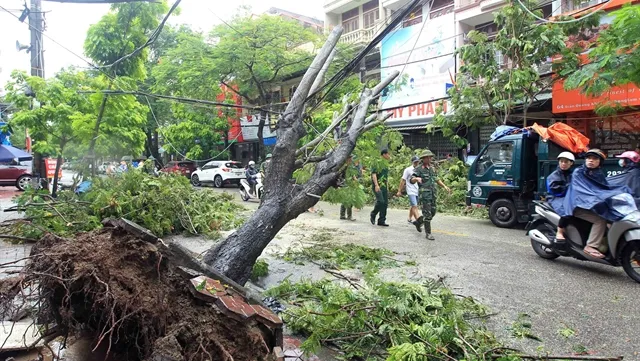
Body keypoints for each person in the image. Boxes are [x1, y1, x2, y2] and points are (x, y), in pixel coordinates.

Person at [411, 149, 451, 240]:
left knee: (433, 212)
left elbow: (436, 179)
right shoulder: (419, 169)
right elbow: (411, 179)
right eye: (428, 157)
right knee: (427, 214)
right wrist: (416, 179)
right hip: (425, 195)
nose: (430, 159)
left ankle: (418, 222)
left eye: (430, 157)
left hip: (433, 194)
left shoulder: (432, 168)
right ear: (424, 159)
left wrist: (444, 186)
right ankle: (428, 233)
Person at [546, 151, 575, 243]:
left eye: (566, 162)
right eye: (561, 161)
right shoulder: (554, 175)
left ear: (571, 163)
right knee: (566, 210)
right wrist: (569, 187)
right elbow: (554, 190)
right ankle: (560, 232)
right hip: (556, 197)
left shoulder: (573, 174)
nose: (563, 164)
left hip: (570, 196)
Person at [397, 155, 422, 232]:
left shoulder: (420, 169)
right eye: (415, 162)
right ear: (412, 162)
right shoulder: (408, 170)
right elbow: (403, 180)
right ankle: (418, 220)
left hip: (416, 190)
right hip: (410, 190)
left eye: (418, 162)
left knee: (413, 205)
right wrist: (399, 190)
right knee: (415, 205)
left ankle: (409, 218)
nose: (417, 163)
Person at [370, 149, 391, 227]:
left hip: (384, 186)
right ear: (384, 154)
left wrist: (387, 186)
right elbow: (374, 174)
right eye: (388, 154)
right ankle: (373, 213)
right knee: (381, 201)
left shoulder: (386, 164)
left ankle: (381, 220)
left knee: (385, 204)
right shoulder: (377, 162)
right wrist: (376, 185)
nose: (389, 156)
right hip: (378, 186)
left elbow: (385, 177)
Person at [340, 155, 361, 221]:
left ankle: (348, 215)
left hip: (351, 184)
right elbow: (341, 176)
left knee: (350, 200)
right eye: (349, 158)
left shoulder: (352, 166)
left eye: (350, 158)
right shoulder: (344, 167)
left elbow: (355, 175)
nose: (350, 159)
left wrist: (356, 181)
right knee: (346, 200)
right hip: (345, 184)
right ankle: (343, 215)